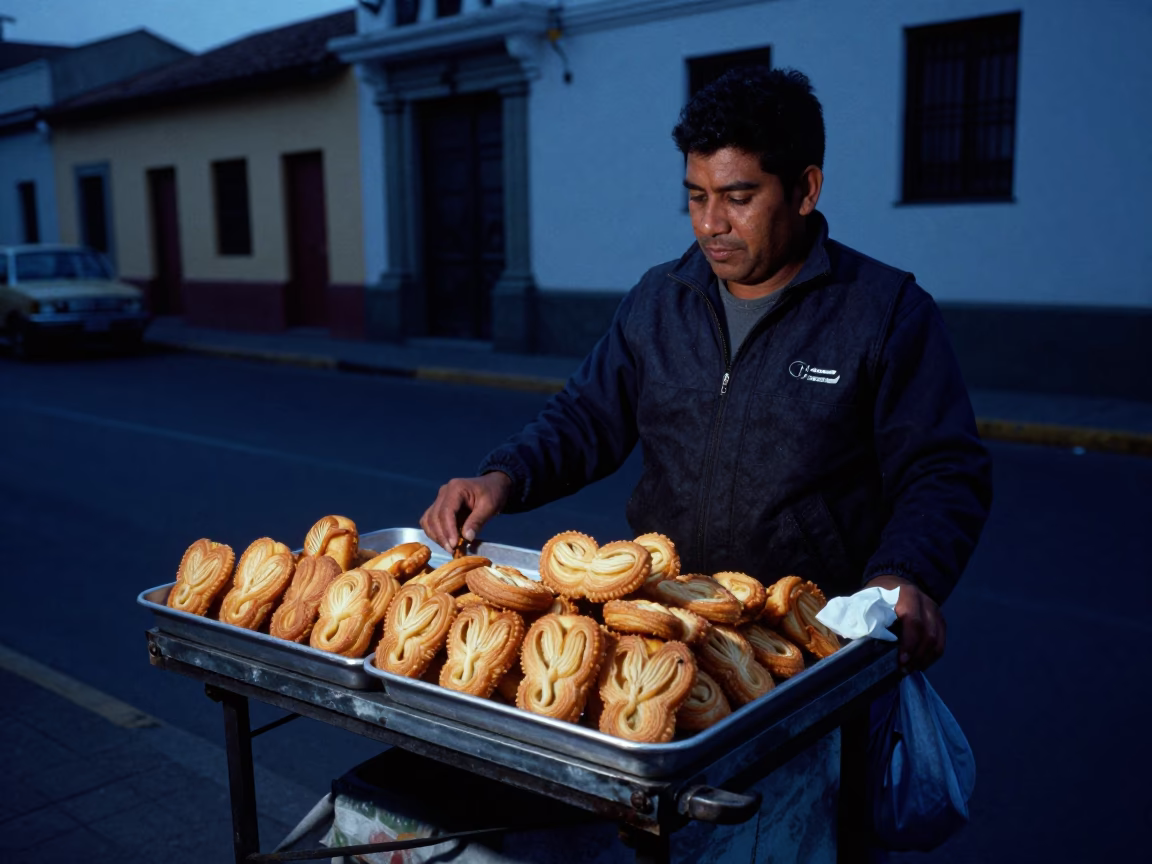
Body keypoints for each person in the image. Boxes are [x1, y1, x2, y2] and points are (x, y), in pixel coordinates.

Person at [422, 66, 992, 673]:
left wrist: (902, 577)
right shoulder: (660, 299)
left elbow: (942, 470)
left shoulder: (884, 313)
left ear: (805, 189)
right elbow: (587, 415)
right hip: (664, 631)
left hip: (808, 648)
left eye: (738, 199)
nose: (709, 225)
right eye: (697, 196)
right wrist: (503, 478)